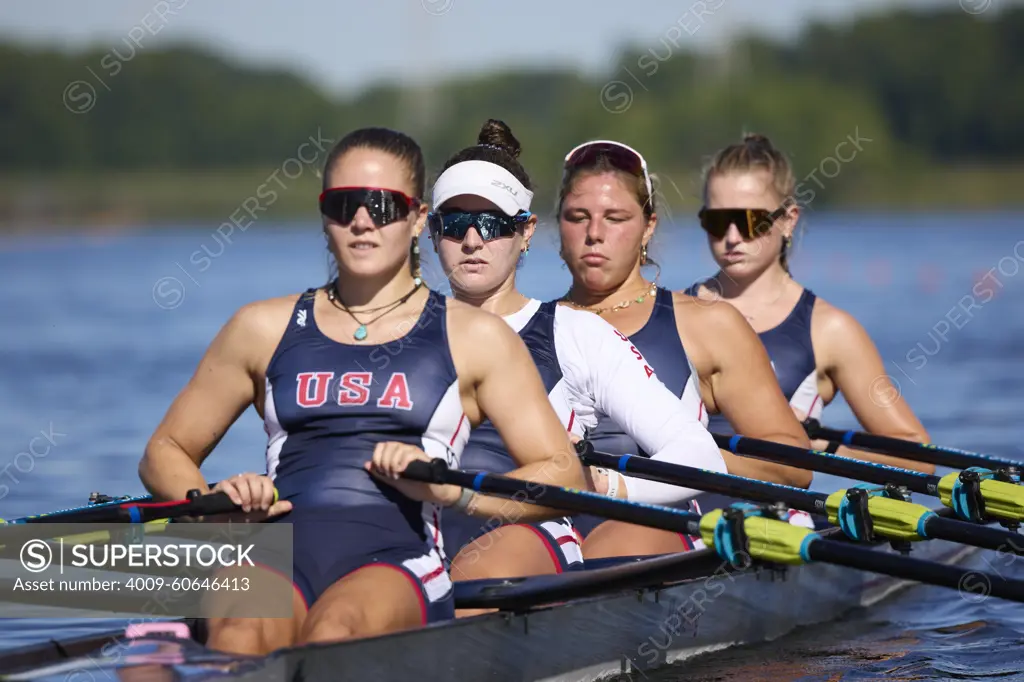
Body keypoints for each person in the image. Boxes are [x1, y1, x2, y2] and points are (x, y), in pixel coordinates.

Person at [138, 127, 587, 655]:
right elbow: (164, 452)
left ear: (419, 219)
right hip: (275, 549)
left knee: (336, 636)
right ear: (325, 216)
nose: (362, 220)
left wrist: (454, 491)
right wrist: (212, 507)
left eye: (383, 204)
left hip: (398, 557)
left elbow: (562, 474)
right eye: (343, 204)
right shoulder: (261, 327)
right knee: (238, 635)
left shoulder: (474, 338)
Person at [427, 120, 727, 613]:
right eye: (456, 223)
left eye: (493, 223)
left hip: (522, 538)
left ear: (525, 232)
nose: (473, 240)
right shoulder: (395, 336)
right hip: (414, 532)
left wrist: (605, 484)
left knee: (463, 593)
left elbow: (702, 458)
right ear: (433, 231)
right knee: (255, 577)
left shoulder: (573, 333)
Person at [554, 139, 816, 561]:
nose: (595, 234)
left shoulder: (706, 324)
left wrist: (688, 456)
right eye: (577, 218)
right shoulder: (528, 331)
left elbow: (793, 468)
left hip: (668, 527)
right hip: (559, 528)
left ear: (649, 226)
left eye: (616, 217)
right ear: (557, 227)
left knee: (613, 547)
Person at [688, 133, 935, 474]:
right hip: (683, 515)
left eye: (750, 221)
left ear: (788, 219)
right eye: (716, 222)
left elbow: (917, 457)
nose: (731, 237)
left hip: (777, 517)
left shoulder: (830, 329)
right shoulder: (674, 310)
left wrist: (819, 448)